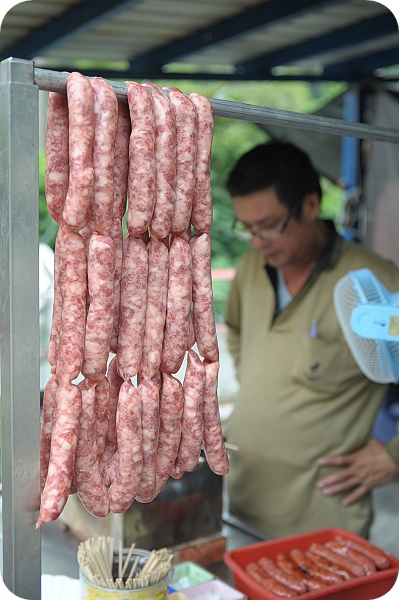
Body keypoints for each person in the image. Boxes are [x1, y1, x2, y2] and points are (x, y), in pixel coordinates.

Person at [223, 140, 399, 539]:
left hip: (322, 524)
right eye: (247, 228)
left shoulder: (373, 285)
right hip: (244, 503)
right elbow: (235, 330)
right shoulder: (253, 265)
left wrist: (393, 453)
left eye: (268, 225)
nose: (258, 240)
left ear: (310, 207)